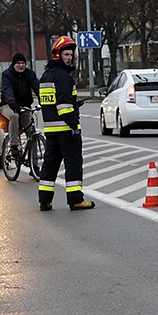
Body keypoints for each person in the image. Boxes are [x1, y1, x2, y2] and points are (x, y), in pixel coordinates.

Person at [37, 36, 94, 211]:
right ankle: (76, 199)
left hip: (51, 129)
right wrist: (74, 125)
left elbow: (50, 102)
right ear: (58, 55)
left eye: (71, 54)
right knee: (73, 163)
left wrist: (73, 103)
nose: (69, 58)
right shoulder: (63, 77)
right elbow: (63, 106)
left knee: (50, 164)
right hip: (66, 129)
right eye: (66, 54)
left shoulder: (47, 75)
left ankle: (45, 200)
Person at [0, 52, 39, 158]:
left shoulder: (30, 74)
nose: (21, 65)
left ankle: (34, 164)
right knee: (14, 116)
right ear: (13, 65)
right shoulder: (7, 75)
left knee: (32, 133)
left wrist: (44, 99)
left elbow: (37, 87)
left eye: (23, 63)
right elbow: (7, 89)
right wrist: (12, 103)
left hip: (24, 106)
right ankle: (14, 146)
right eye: (18, 63)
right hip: (8, 105)